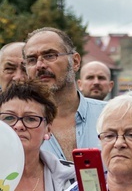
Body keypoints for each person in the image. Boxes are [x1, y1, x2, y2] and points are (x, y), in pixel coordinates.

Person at [24, 27, 105, 161]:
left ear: (75, 61)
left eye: (50, 55)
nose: (40, 65)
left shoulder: (111, 115)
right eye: (31, 59)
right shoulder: (17, 127)